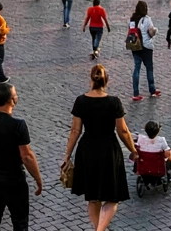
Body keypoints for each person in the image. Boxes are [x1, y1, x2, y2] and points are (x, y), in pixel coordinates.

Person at [60, 65, 137, 231]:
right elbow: (123, 131)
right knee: (112, 198)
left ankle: (98, 228)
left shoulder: (81, 101)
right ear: (106, 81)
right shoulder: (114, 102)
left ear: (91, 80)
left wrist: (67, 155)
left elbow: (75, 131)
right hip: (109, 151)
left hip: (87, 150)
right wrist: (133, 150)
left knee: (93, 198)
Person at [0, 82, 42, 231]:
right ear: (12, 100)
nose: (17, 97)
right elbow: (27, 156)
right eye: (15, 94)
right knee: (20, 221)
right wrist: (38, 179)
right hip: (14, 180)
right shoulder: (18, 125)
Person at [128, 0, 158, 101]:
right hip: (146, 47)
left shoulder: (132, 19)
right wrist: (155, 30)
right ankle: (152, 90)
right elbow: (151, 32)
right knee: (149, 68)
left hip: (135, 46)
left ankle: (136, 93)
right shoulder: (147, 19)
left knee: (137, 68)